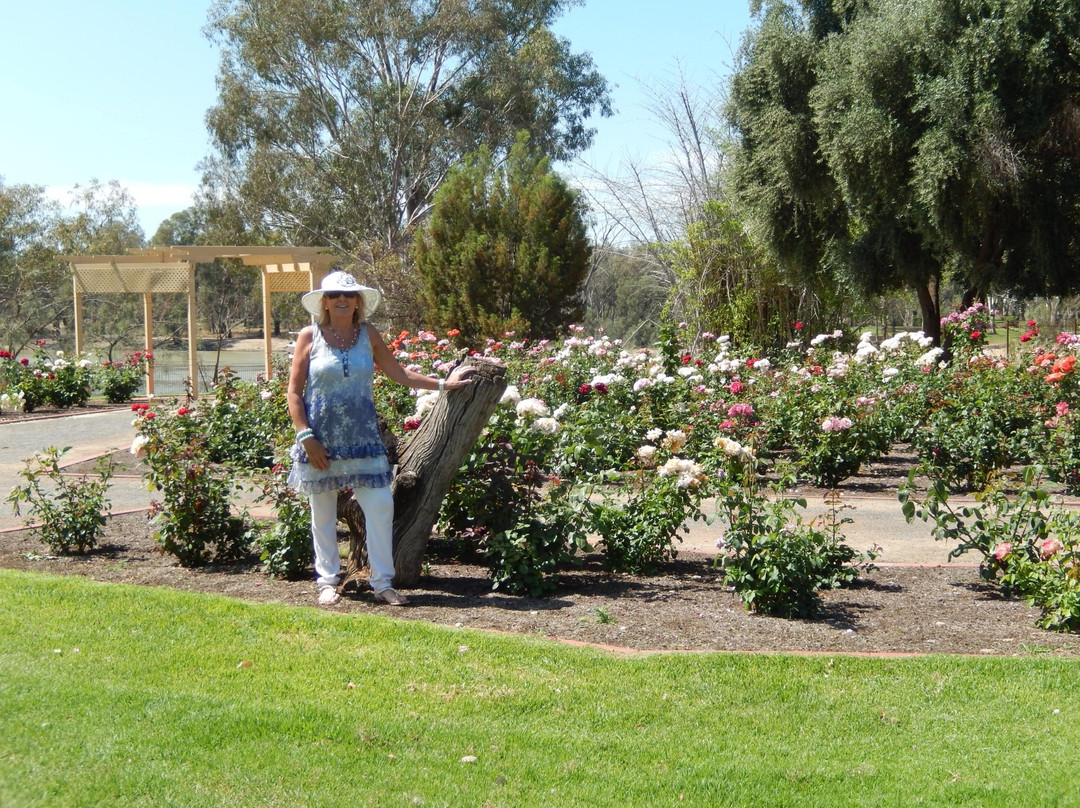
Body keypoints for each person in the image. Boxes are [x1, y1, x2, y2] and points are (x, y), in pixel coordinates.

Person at [286, 270, 473, 606]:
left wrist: (445, 383)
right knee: (323, 512)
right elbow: (294, 392)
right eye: (334, 295)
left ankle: (382, 582)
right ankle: (327, 582)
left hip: (363, 438)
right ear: (324, 302)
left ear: (358, 302)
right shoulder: (308, 336)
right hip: (320, 441)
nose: (342, 300)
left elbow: (399, 373)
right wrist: (305, 436)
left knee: (381, 506)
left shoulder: (367, 334)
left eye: (349, 295)